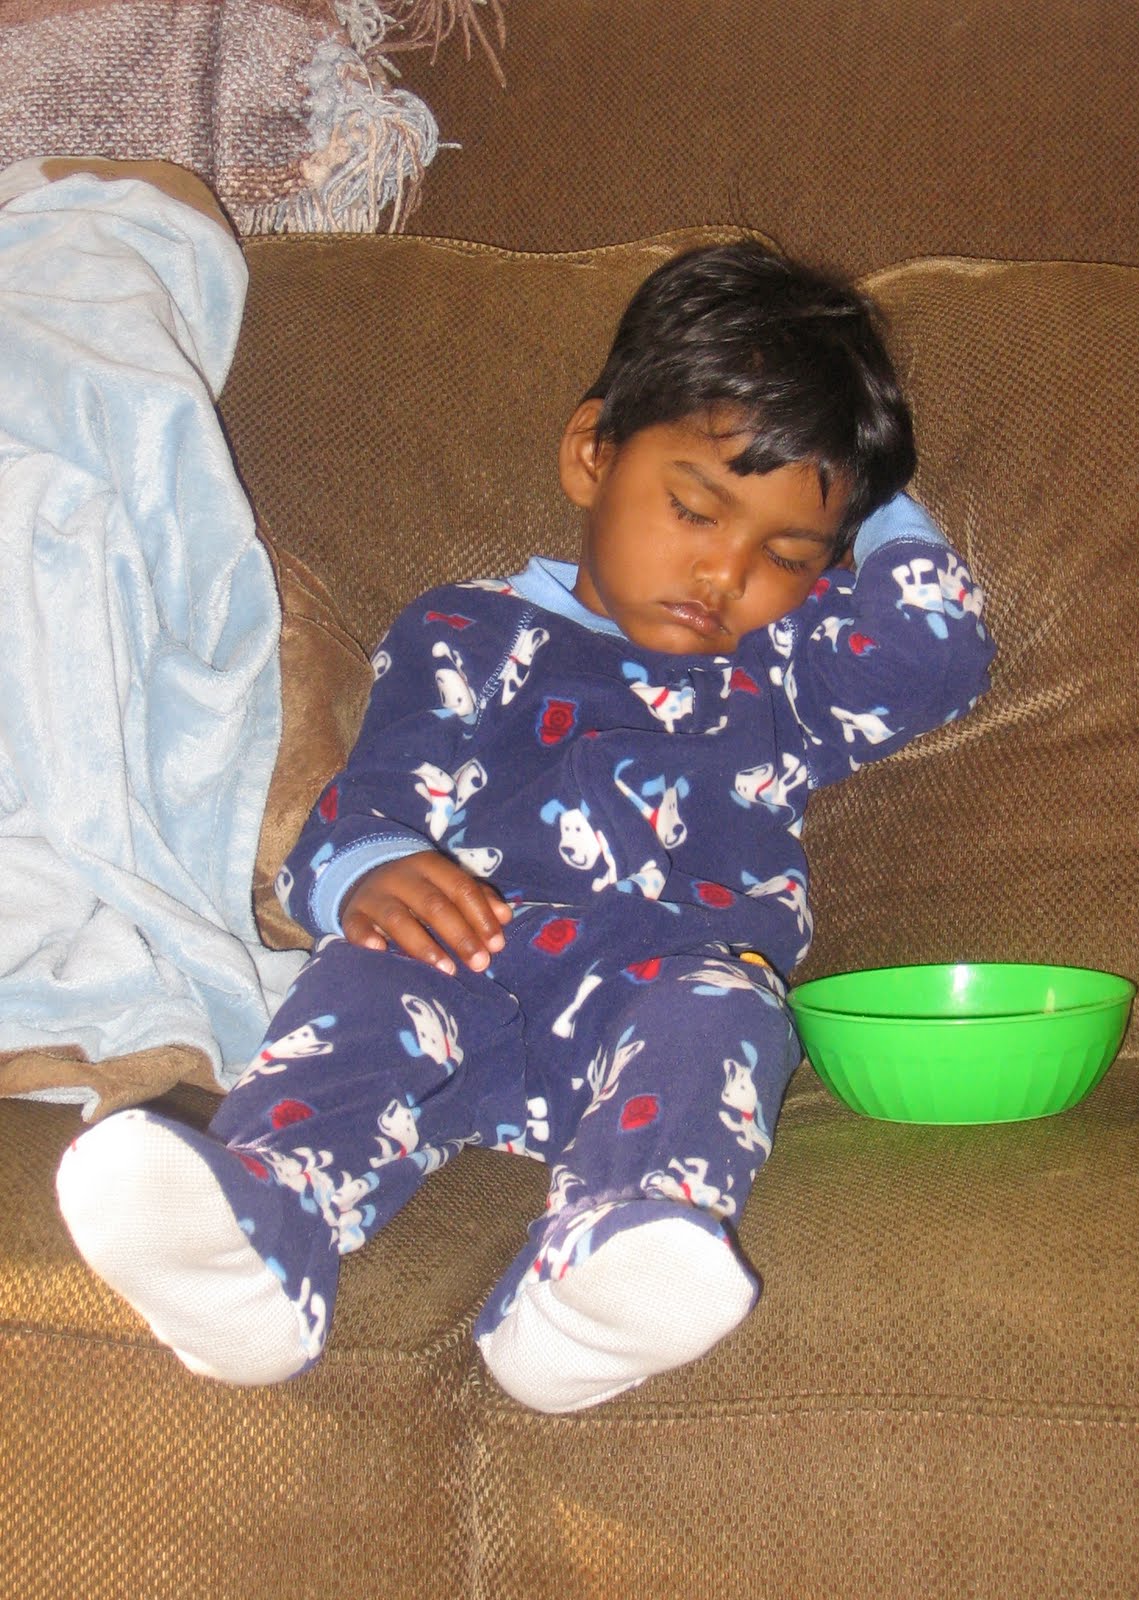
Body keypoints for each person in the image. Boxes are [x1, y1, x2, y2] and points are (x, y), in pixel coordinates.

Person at [57, 239, 996, 1414]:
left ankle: (595, 1281)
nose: (724, 572)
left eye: (785, 555)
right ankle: (261, 1234)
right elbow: (367, 798)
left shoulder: (775, 677)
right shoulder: (466, 631)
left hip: (657, 995)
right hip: (465, 963)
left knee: (730, 1009)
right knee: (361, 985)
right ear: (593, 453)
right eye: (695, 509)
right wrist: (374, 870)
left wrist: (868, 480)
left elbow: (931, 655)